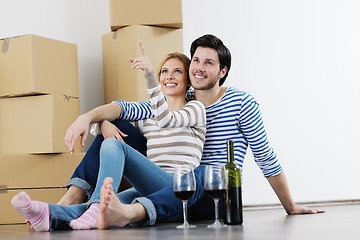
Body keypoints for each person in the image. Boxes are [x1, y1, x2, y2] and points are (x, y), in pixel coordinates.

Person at [59, 34, 325, 229]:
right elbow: (127, 108)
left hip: (213, 193)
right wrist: (95, 120)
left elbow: (265, 155)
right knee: (121, 125)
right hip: (172, 182)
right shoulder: (181, 97)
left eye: (209, 63)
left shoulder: (242, 103)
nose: (199, 67)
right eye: (196, 60)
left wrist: (289, 206)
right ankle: (73, 200)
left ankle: (128, 212)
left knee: (202, 172)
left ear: (222, 71)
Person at [10, 43, 206, 231]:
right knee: (105, 205)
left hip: (177, 188)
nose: (169, 76)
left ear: (188, 80)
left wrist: (149, 78)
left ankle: (94, 205)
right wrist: (103, 124)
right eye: (164, 71)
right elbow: (115, 122)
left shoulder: (195, 109)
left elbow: (167, 119)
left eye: (177, 71)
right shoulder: (148, 118)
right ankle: (48, 215)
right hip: (148, 186)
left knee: (113, 147)